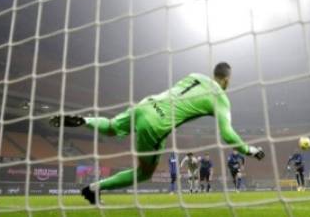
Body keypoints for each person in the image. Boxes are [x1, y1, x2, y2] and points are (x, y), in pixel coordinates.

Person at [50, 62, 265, 205]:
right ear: (227, 80)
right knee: (144, 173)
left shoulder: (195, 75)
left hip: (147, 104)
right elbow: (228, 136)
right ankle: (93, 189)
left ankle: (85, 120)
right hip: (157, 123)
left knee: (112, 126)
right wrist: (250, 150)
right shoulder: (222, 99)